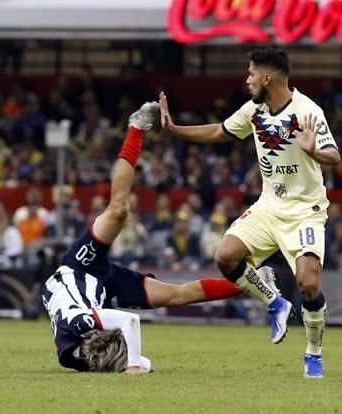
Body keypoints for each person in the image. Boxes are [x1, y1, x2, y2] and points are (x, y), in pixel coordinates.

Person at [42, 102, 276, 374]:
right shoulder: (72, 356)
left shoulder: (79, 324)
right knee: (177, 296)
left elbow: (129, 323)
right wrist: (138, 362)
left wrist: (132, 366)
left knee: (118, 211)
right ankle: (255, 282)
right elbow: (142, 359)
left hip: (78, 269)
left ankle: (135, 127)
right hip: (102, 293)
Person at [160, 47, 340, 378]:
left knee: (308, 283)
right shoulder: (254, 110)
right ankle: (274, 302)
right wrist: (176, 130)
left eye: (251, 74)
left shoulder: (306, 110)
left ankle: (313, 353)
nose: (247, 80)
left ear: (267, 78)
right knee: (225, 255)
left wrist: (314, 149)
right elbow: (218, 131)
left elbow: (333, 154)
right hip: (269, 206)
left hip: (305, 211)